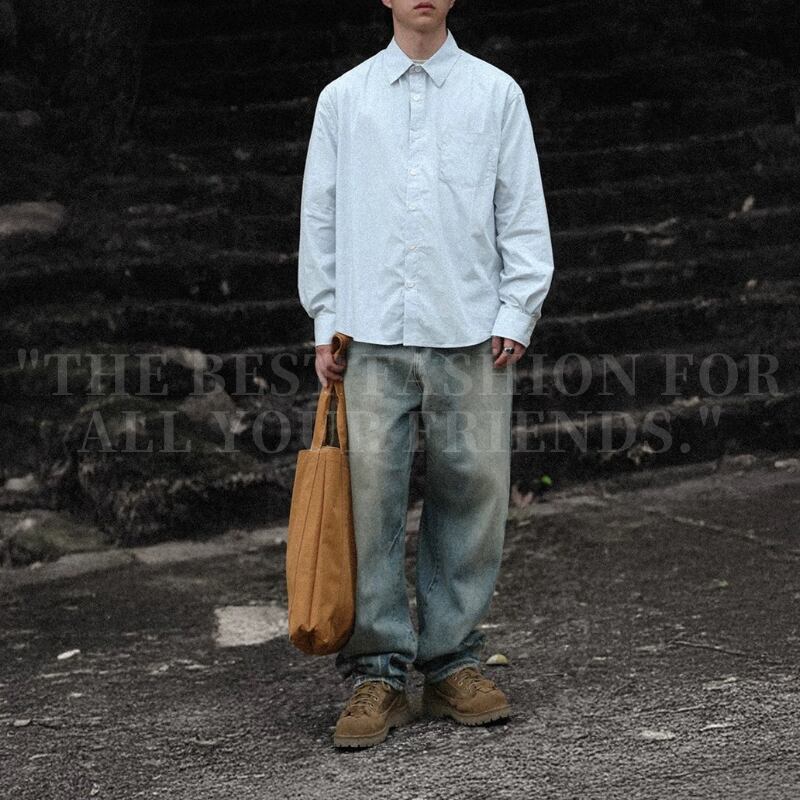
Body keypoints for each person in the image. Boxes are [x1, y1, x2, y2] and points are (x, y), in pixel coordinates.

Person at [297, 0, 554, 748]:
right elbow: (321, 213)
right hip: (369, 331)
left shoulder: (495, 93)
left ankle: (452, 663)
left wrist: (518, 307)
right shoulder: (344, 99)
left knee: (473, 493)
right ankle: (377, 673)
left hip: (470, 327)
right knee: (367, 501)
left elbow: (520, 204)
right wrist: (325, 316)